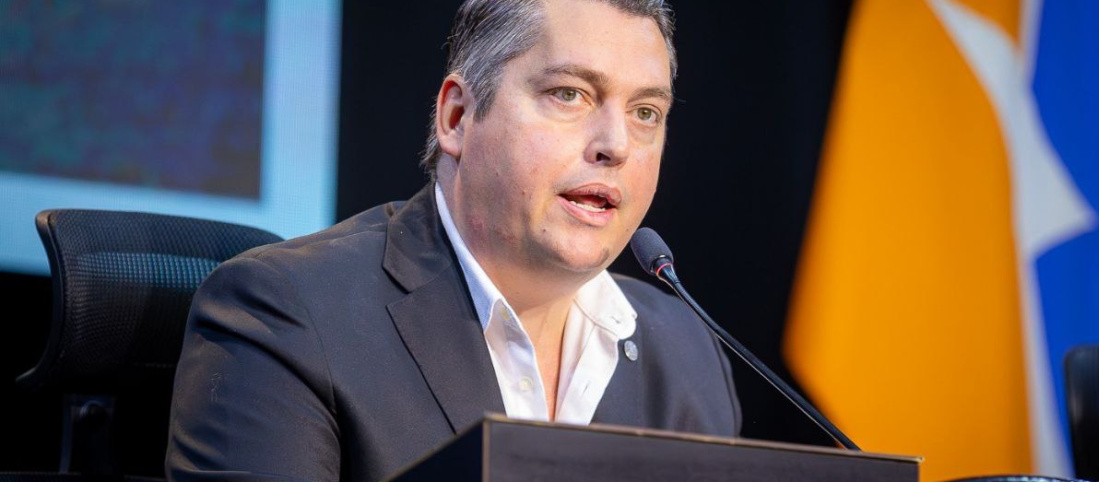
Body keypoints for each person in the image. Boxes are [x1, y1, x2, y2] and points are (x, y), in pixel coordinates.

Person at [166, 0, 740, 480]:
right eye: (569, 94)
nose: (616, 144)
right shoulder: (287, 313)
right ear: (458, 117)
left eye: (646, 112)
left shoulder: (688, 352)